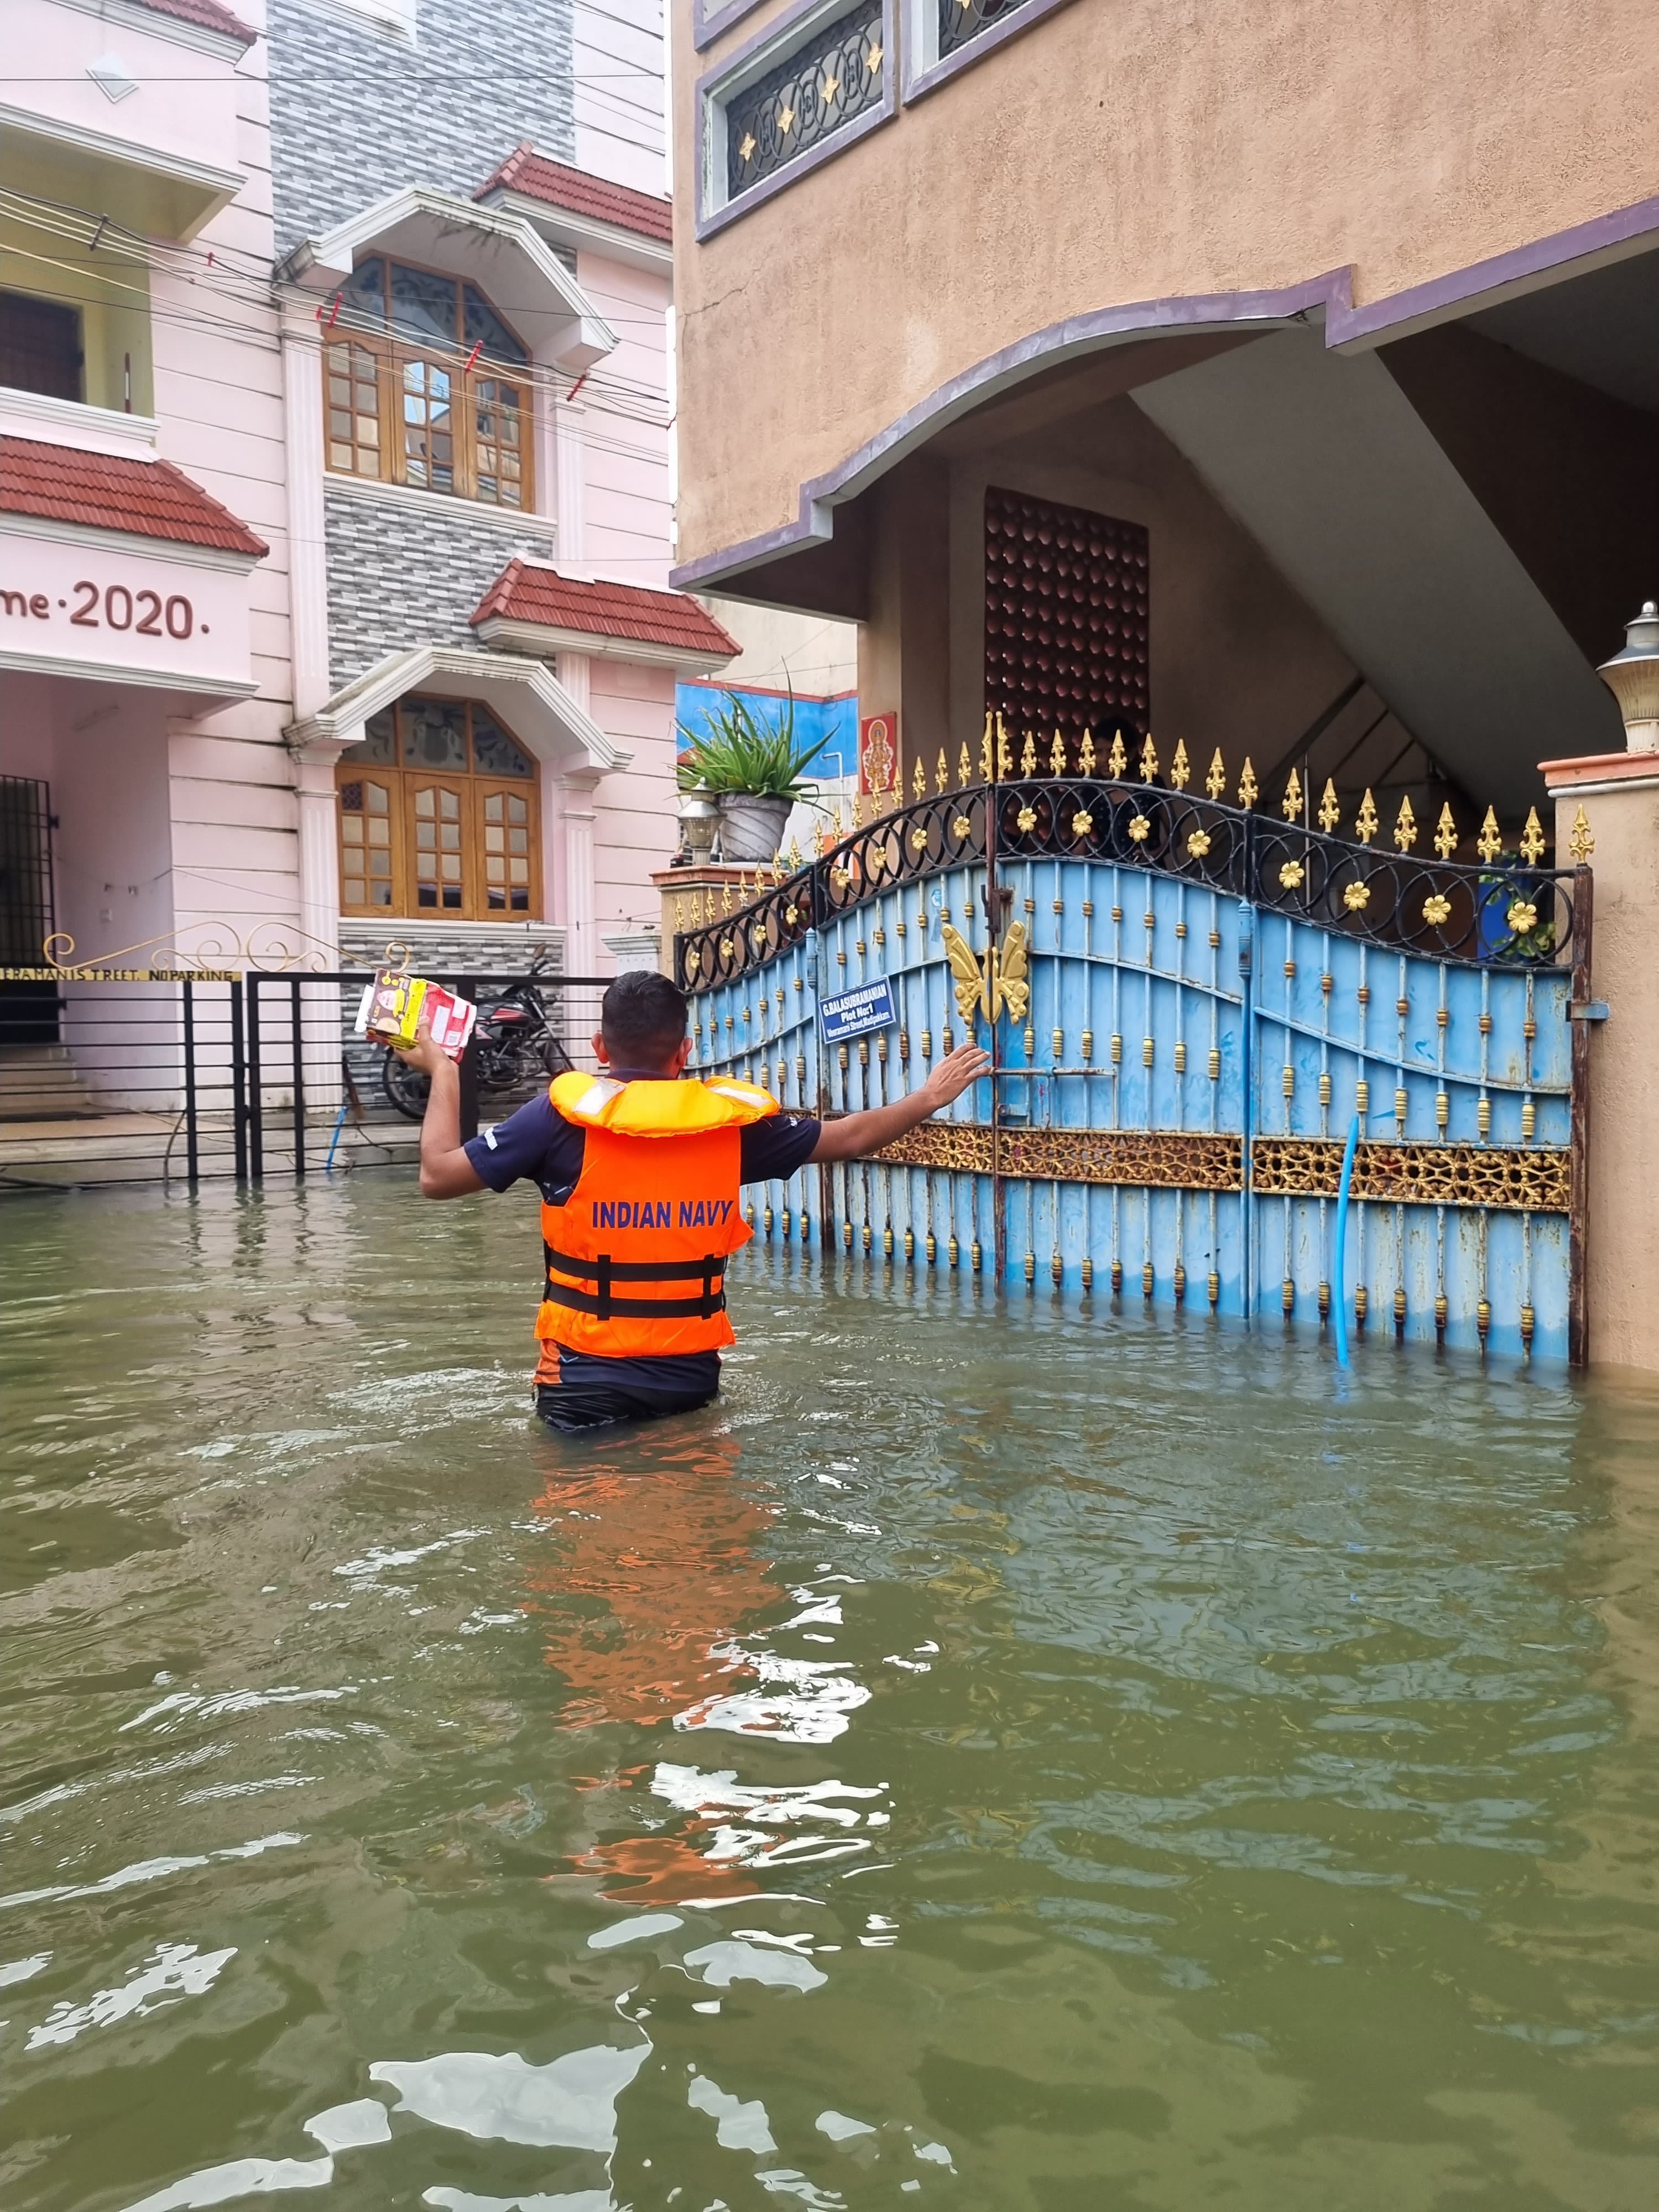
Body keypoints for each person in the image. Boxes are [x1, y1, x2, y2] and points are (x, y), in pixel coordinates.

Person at [398, 969, 990, 1432]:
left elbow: (437, 1175)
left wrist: (446, 1072)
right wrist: (928, 1097)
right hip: (688, 1380)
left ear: (600, 1045)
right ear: (684, 1051)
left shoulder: (557, 1119)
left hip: (581, 1382)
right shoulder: (730, 1129)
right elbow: (850, 1136)